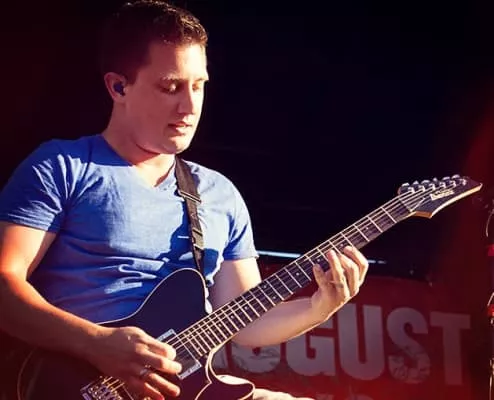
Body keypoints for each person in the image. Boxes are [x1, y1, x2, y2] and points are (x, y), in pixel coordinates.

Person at [0, 1, 369, 399]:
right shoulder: (63, 166)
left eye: (198, 86)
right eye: (171, 87)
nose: (190, 107)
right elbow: (4, 285)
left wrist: (319, 306)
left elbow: (247, 324)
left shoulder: (218, 194)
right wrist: (96, 343)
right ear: (119, 87)